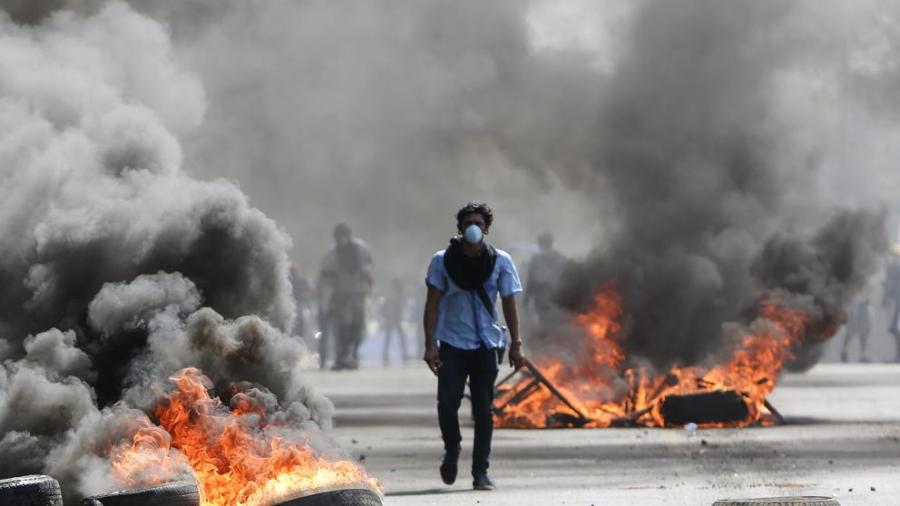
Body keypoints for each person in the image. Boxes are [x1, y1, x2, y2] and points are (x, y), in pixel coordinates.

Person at [423, 202, 526, 491]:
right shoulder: (441, 261)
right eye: (469, 223)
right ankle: (452, 449)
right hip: (453, 345)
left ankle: (480, 472)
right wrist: (430, 344)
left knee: (484, 410)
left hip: (486, 346)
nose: (474, 228)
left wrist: (516, 344)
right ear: (459, 228)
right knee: (447, 404)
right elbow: (431, 304)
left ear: (487, 229)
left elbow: (509, 303)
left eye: (479, 223)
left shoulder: (501, 261)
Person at [318, 223, 374, 370]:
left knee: (358, 325)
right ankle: (342, 356)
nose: (341, 239)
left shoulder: (361, 249)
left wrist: (368, 283)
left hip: (357, 292)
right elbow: (325, 274)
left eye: (343, 236)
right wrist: (327, 296)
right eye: (339, 236)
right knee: (341, 327)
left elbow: (369, 266)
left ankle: (351, 354)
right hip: (340, 293)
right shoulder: (332, 253)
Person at [523, 231, 567, 330]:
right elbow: (531, 283)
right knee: (552, 328)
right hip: (546, 304)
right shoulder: (537, 260)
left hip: (552, 303)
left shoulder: (560, 259)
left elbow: (530, 284)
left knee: (551, 328)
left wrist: (526, 302)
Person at [381, 278, 410, 364]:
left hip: (393, 319)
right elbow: (388, 308)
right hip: (394, 319)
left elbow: (386, 308)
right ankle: (403, 353)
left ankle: (386, 354)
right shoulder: (396, 296)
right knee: (396, 337)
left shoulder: (393, 295)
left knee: (390, 337)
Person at [883, 245, 900, 362]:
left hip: (896, 302)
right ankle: (897, 355)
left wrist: (886, 296)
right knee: (895, 329)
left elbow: (891, 284)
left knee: (896, 329)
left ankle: (898, 356)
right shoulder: (893, 266)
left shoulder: (894, 266)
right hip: (895, 301)